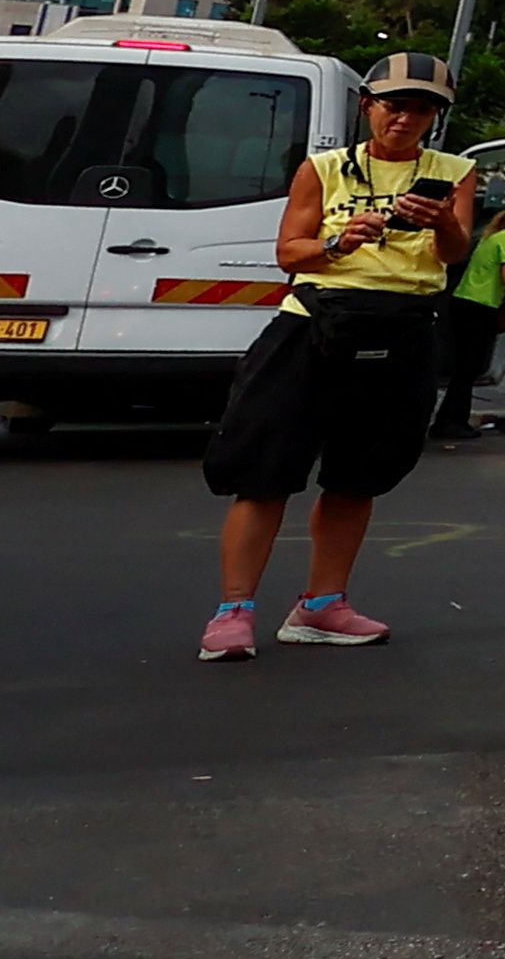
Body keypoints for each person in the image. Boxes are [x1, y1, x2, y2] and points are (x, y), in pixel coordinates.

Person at [201, 54, 477, 661]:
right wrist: (338, 240)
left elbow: (456, 253)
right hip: (313, 324)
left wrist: (440, 224)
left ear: (436, 117)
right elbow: (289, 251)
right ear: (367, 106)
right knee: (263, 469)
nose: (405, 117)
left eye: (422, 108)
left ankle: (322, 605)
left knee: (361, 474)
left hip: (403, 328)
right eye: (394, 104)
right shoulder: (323, 169)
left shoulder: (454, 172)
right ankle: (234, 610)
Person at [433, 191, 505, 440]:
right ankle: (452, 421)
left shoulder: (493, 235)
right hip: (481, 305)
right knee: (469, 369)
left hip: (465, 302)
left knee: (464, 367)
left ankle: (450, 419)